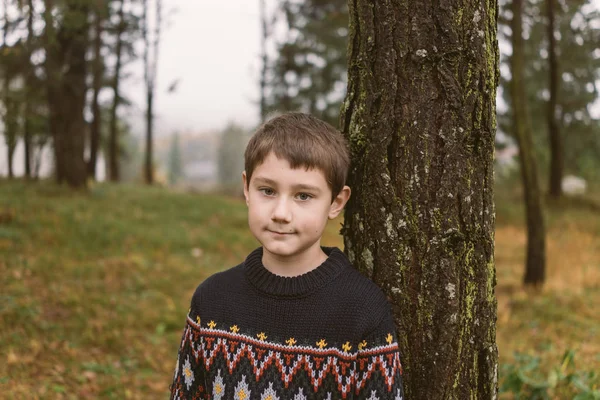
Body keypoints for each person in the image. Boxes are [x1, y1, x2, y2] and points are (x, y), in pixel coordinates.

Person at [170, 112, 405, 399]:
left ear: (336, 202)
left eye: (303, 196)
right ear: (246, 188)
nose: (281, 213)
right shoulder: (211, 301)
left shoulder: (362, 310)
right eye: (267, 191)